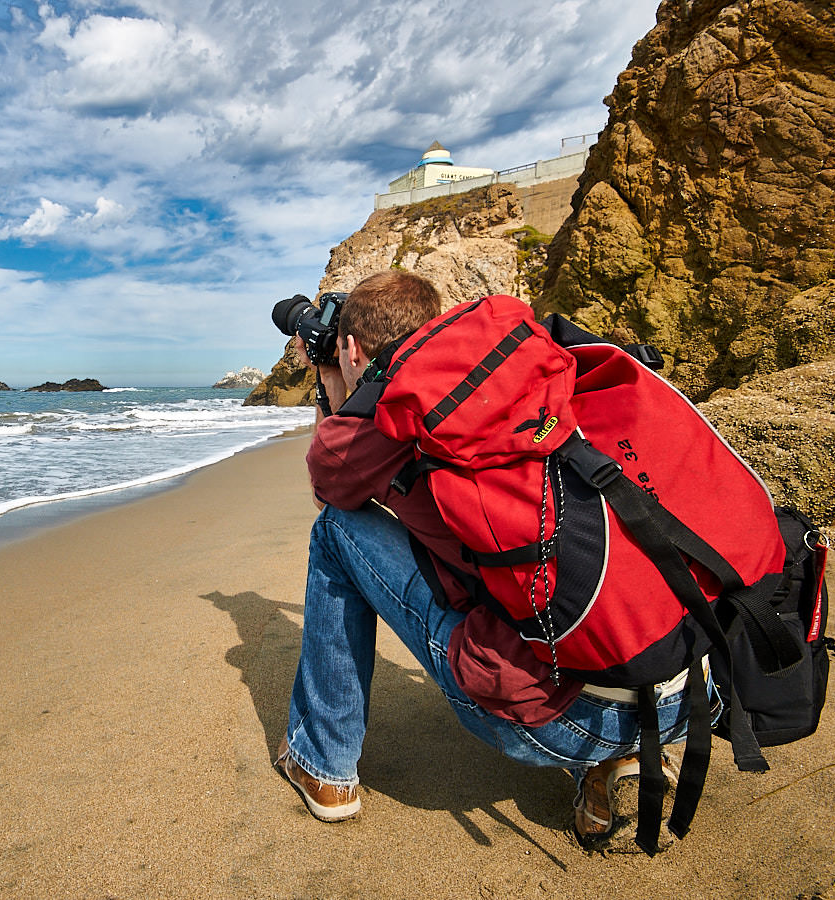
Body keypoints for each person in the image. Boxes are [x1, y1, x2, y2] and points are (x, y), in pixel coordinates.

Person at [274, 269, 709, 849]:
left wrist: (333, 381)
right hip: (696, 679)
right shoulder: (540, 361)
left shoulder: (384, 414)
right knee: (548, 557)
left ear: (351, 347)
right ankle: (613, 761)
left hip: (558, 721)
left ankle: (323, 767)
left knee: (337, 531)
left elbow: (331, 486)